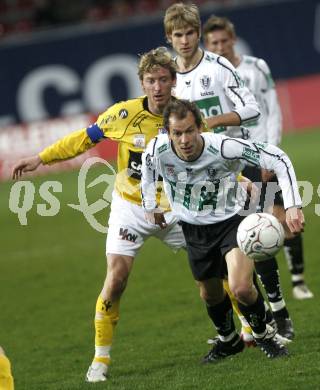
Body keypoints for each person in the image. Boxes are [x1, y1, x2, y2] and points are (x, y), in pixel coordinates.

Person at [11, 47, 188, 383]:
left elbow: (209, 153)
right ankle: (100, 359)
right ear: (142, 83)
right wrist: (40, 158)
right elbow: (84, 138)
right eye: (151, 80)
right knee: (116, 278)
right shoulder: (123, 115)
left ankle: (249, 330)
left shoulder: (186, 116)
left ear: (173, 81)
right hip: (131, 207)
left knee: (212, 271)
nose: (158, 87)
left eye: (164, 79)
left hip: (176, 208)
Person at [163, 2, 294, 343]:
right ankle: (250, 327)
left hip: (239, 163)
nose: (186, 40)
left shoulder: (219, 67)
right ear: (169, 38)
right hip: (200, 178)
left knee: (257, 236)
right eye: (179, 35)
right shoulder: (168, 80)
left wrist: (214, 123)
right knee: (220, 259)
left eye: (191, 33)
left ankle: (280, 315)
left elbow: (251, 109)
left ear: (198, 33)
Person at [141, 99, 305, 361]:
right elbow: (147, 171)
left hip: (233, 222)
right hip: (194, 230)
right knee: (210, 293)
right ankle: (228, 341)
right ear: (167, 133)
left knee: (240, 287)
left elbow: (277, 157)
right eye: (177, 133)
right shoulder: (157, 150)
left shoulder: (224, 147)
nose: (184, 140)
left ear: (200, 127)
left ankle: (264, 335)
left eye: (189, 131)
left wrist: (294, 205)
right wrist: (150, 204)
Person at [202, 15, 313, 303]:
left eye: (224, 40)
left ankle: (298, 279)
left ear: (233, 39)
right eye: (214, 42)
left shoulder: (255, 67)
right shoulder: (211, 78)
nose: (220, 46)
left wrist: (270, 151)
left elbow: (272, 109)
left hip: (263, 153)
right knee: (254, 227)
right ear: (207, 44)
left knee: (283, 216)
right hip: (235, 161)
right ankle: (273, 302)